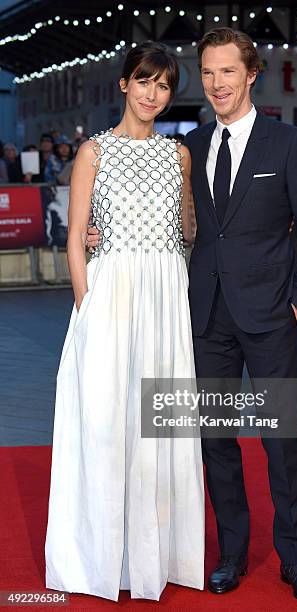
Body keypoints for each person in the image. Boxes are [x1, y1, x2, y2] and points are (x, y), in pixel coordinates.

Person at [88, 27, 297, 604]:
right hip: (206, 320)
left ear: (251, 75)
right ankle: (230, 555)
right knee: (216, 444)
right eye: (208, 72)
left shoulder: (289, 143)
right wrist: (100, 234)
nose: (217, 83)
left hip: (273, 318)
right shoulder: (189, 148)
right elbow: (157, 215)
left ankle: (296, 559)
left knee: (282, 443)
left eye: (228, 71)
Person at [45, 41, 204, 602]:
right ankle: (100, 556)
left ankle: (154, 557)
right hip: (109, 300)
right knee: (107, 424)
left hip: (164, 300)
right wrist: (87, 308)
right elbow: (74, 239)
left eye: (162, 86)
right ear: (123, 84)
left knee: (158, 426)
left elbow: (186, 230)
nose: (152, 94)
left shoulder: (178, 155)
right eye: (143, 81)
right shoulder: (93, 152)